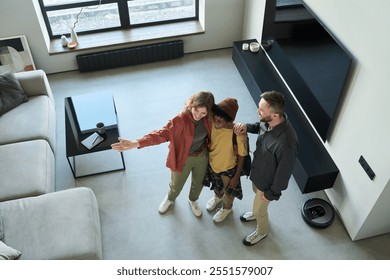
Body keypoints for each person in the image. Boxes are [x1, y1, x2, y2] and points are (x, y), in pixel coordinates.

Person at [111, 91, 215, 217]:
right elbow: (161, 134)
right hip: (182, 158)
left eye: (203, 113)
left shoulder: (209, 118)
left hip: (201, 156)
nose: (198, 115)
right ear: (191, 104)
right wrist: (135, 143)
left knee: (199, 182)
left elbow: (227, 112)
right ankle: (170, 198)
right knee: (176, 184)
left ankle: (193, 200)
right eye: (196, 110)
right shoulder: (179, 120)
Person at [234, 91, 298, 246]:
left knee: (260, 210)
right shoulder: (268, 121)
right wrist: (246, 127)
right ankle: (257, 214)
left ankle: (262, 231)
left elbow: (283, 175)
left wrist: (271, 194)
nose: (258, 112)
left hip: (267, 185)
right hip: (257, 174)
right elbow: (260, 126)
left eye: (261, 110)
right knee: (256, 195)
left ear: (275, 115)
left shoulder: (287, 144)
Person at [204, 98, 248, 222]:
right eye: (216, 115)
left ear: (230, 120)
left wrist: (236, 176)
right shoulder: (213, 123)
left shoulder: (238, 133)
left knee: (229, 193)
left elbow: (242, 156)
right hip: (213, 165)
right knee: (217, 187)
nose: (217, 119)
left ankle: (227, 208)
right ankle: (218, 197)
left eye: (221, 117)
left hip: (229, 169)